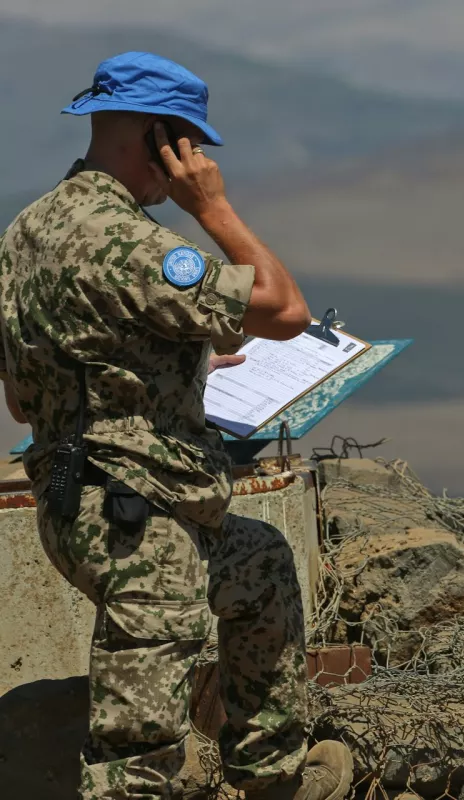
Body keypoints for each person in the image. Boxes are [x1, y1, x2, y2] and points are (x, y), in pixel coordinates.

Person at [0, 52, 353, 799]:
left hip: (77, 504)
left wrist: (177, 370)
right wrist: (211, 209)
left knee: (260, 564)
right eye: (189, 144)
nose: (193, 163)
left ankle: (269, 774)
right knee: (137, 757)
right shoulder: (130, 241)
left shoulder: (24, 232)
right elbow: (285, 309)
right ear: (161, 138)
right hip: (138, 527)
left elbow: (25, 403)